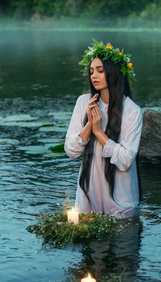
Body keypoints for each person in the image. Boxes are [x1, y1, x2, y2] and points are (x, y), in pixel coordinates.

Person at [65, 40, 142, 219]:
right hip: (88, 197)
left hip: (121, 202)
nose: (94, 76)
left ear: (114, 72)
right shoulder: (84, 102)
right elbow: (71, 151)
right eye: (91, 71)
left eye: (100, 70)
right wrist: (89, 125)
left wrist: (99, 132)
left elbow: (125, 160)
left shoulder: (132, 111)